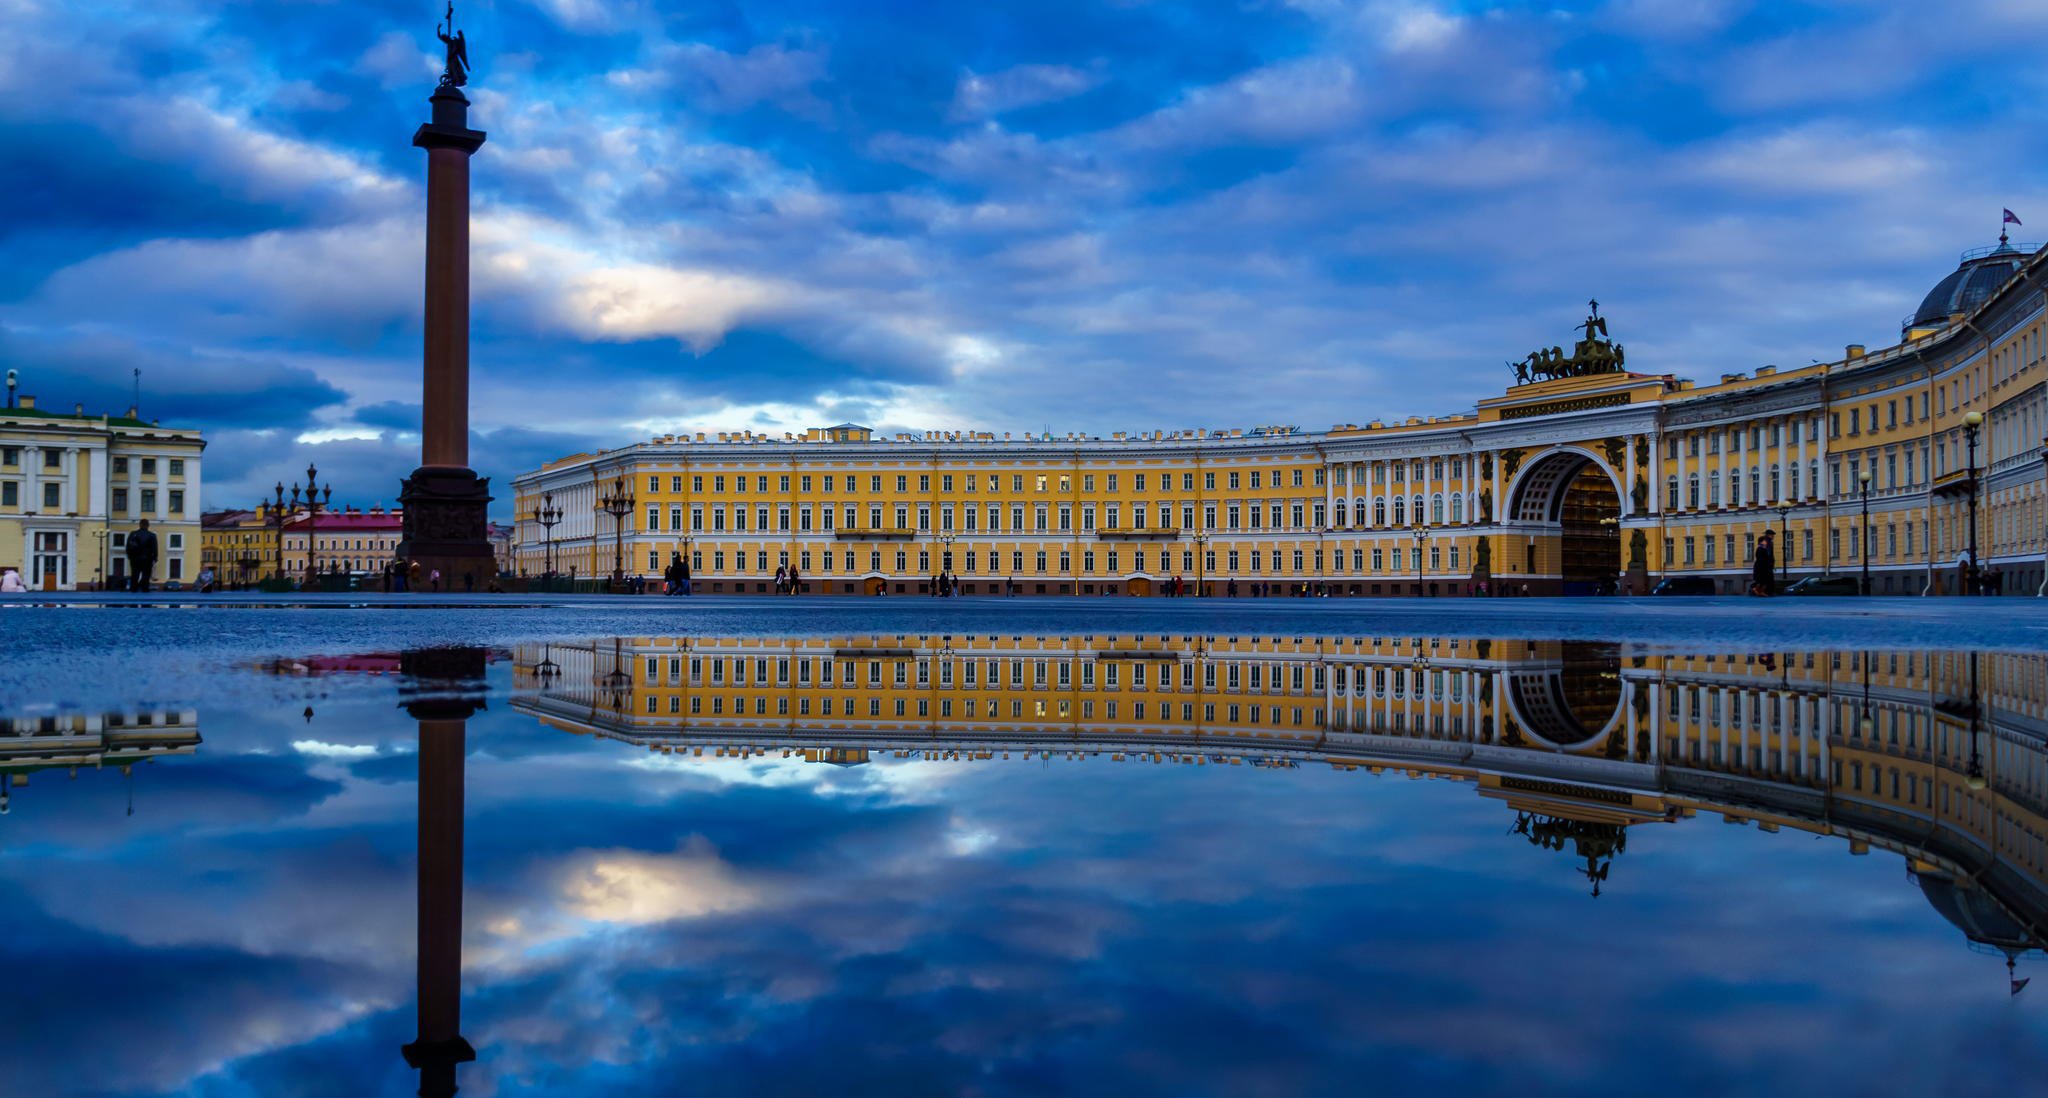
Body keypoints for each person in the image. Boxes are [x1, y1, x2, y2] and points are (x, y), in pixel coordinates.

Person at [125, 519, 159, 593]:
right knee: (146, 575)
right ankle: (145, 589)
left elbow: (128, 546)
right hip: (147, 559)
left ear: (139, 525)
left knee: (135, 574)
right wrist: (155, 558)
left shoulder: (133, 534)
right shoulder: (152, 535)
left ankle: (133, 589)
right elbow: (155, 548)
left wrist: (129, 556)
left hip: (135, 559)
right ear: (148, 525)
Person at [1751, 530, 1776, 597]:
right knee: (1763, 579)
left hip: (1765, 564)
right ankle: (1755, 590)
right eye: (1772, 535)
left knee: (1766, 579)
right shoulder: (1765, 542)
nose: (1773, 536)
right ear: (1769, 535)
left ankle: (1761, 591)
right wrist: (1767, 562)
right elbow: (1761, 553)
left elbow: (1769, 554)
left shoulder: (1769, 542)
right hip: (1763, 565)